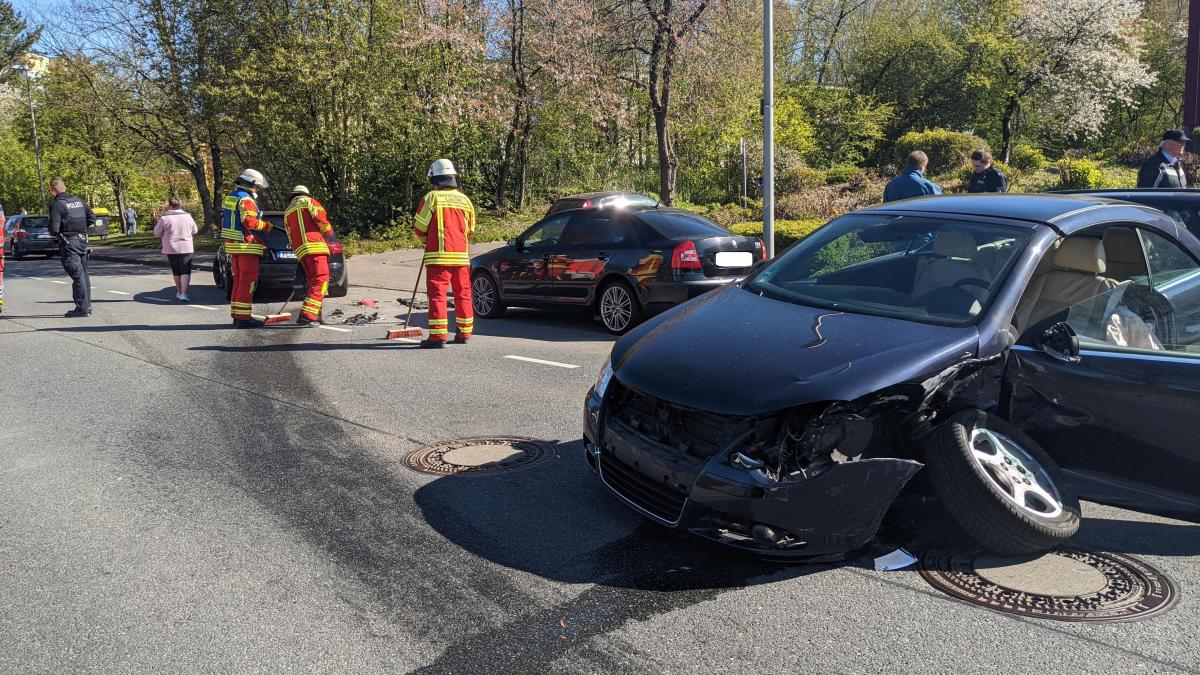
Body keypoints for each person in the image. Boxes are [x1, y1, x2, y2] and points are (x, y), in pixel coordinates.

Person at [413, 159, 476, 348]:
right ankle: (464, 334)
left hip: (438, 257)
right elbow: (470, 229)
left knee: (438, 296)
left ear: (435, 179)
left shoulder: (432, 198)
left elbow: (419, 226)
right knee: (463, 294)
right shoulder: (465, 200)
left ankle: (438, 338)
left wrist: (426, 241)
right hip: (461, 258)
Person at [221, 168, 272, 327]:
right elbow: (249, 222)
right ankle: (244, 319)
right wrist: (266, 226)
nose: (258, 190)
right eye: (258, 187)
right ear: (252, 184)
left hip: (233, 245)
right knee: (248, 282)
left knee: (238, 281)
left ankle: (237, 316)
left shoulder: (230, 197)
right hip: (246, 245)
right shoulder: (246, 199)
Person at [282, 185, 335, 326]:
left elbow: (289, 235)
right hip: (315, 247)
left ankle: (317, 315)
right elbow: (321, 219)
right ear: (306, 193)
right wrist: (330, 234)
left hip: (301, 251)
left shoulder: (287, 212)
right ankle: (307, 315)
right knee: (321, 281)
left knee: (313, 283)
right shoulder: (310, 202)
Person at [47, 177, 95, 318]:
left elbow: (54, 229)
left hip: (69, 243)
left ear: (52, 190)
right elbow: (91, 218)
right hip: (82, 241)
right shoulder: (79, 201)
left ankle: (82, 308)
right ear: (65, 187)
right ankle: (87, 305)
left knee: (77, 275)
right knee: (83, 274)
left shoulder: (57, 204)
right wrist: (82, 230)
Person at [153, 197, 198, 302]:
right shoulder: (188, 216)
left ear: (170, 205)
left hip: (171, 248)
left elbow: (157, 233)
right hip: (186, 247)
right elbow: (195, 230)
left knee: (176, 271)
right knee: (185, 270)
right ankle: (184, 294)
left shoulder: (164, 218)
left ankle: (179, 291)